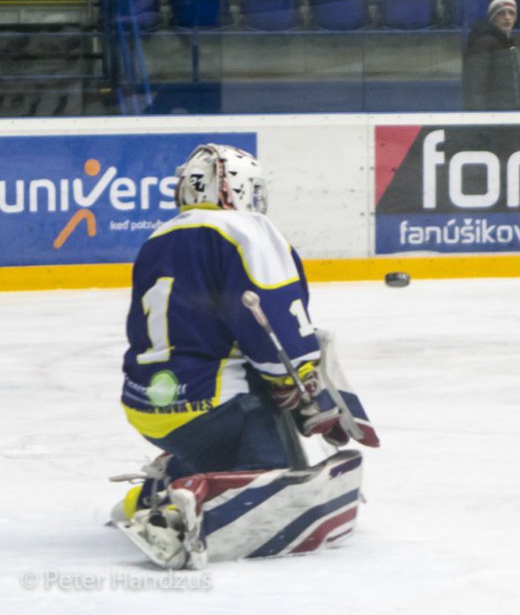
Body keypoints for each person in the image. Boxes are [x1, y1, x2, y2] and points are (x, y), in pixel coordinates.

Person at [113, 144, 379, 568]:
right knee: (280, 475)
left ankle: (152, 491)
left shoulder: (157, 238)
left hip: (148, 406)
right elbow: (271, 321)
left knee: (227, 432)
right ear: (244, 189)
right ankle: (172, 516)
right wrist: (303, 386)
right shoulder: (247, 230)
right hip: (213, 405)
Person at [462, 0, 520, 111]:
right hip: (492, 119)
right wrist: (480, 122)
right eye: (501, 13)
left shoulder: (509, 42)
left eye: (511, 13)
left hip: (508, 116)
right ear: (493, 18)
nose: (507, 18)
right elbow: (475, 87)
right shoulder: (482, 43)